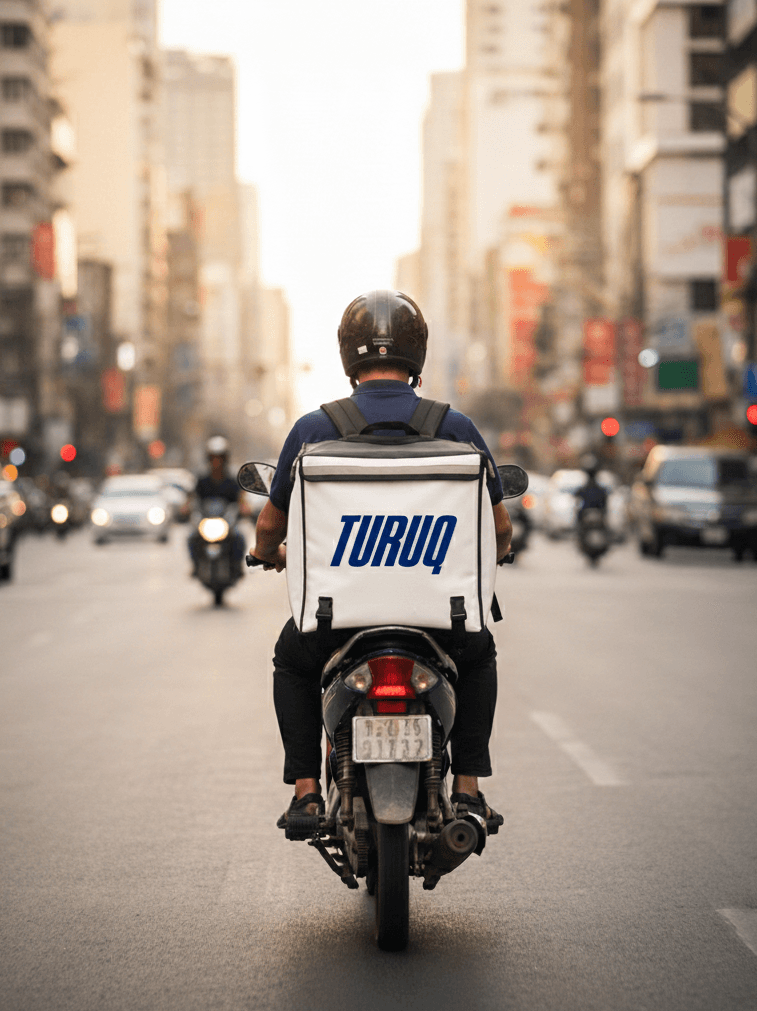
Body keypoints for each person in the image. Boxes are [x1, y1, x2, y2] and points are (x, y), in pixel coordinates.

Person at [251, 290, 513, 829]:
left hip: (333, 622)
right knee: (480, 653)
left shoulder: (312, 430)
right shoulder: (455, 427)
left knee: (291, 661)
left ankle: (305, 792)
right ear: (418, 354)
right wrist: (495, 557)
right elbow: (499, 529)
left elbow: (270, 525)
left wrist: (265, 554)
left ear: (348, 356)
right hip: (443, 622)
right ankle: (467, 788)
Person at [188, 436, 248, 572]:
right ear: (208, 459)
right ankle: (196, 566)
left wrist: (244, 508)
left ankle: (237, 566)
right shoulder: (202, 480)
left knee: (240, 537)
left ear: (225, 459)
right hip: (206, 522)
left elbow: (241, 500)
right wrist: (186, 508)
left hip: (227, 523)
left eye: (220, 458)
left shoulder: (232, 481)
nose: (217, 462)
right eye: (213, 458)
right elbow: (193, 499)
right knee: (191, 538)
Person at [574, 456, 609, 521]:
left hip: (597, 521)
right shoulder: (601, 490)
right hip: (586, 519)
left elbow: (604, 508)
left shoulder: (583, 490)